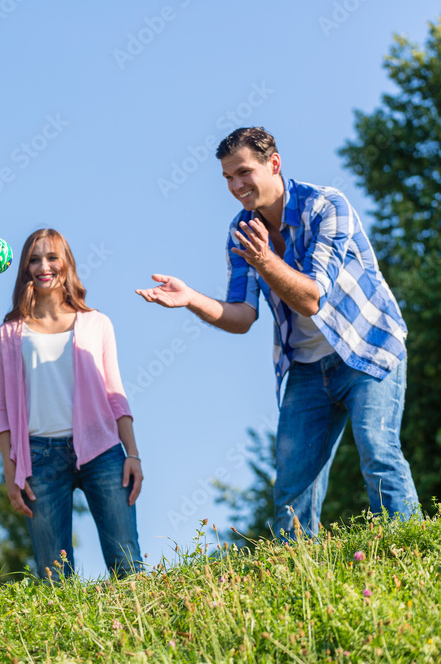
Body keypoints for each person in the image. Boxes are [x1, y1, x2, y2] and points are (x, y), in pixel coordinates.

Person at [135, 126, 419, 537]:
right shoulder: (241, 231)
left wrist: (266, 261)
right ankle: (296, 576)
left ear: (274, 164)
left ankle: (409, 549)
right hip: (305, 367)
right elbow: (242, 316)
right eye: (228, 178)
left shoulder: (325, 206)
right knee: (291, 486)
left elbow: (311, 299)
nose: (236, 186)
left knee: (378, 452)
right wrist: (191, 298)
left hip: (366, 347)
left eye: (244, 172)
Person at [0, 228, 143, 581]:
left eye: (51, 257)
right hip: (39, 460)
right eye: (33, 259)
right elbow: (3, 411)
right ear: (25, 269)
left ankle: (140, 632)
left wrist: (132, 454)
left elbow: (115, 394)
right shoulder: (10, 333)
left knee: (127, 564)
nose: (43, 266)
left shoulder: (96, 323)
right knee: (53, 577)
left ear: (66, 264)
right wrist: (10, 471)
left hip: (103, 451)